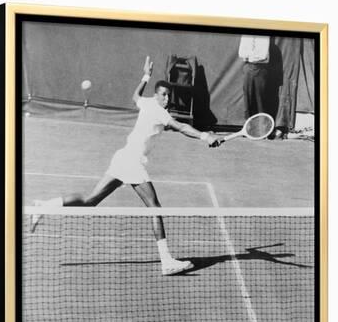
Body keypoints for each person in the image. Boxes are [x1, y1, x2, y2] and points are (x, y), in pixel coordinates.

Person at [33, 56, 220, 276]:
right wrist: (203, 137)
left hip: (122, 158)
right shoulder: (159, 111)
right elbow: (180, 127)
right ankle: (166, 260)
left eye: (169, 96)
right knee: (155, 207)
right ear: (157, 95)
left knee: (90, 201)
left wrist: (146, 76)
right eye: (164, 95)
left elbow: (135, 97)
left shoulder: (147, 103)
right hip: (131, 161)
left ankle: (45, 206)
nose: (167, 99)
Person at [238, 35, 270, 119]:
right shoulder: (245, 35)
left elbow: (262, 55)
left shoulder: (264, 36)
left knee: (260, 101)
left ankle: (262, 127)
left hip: (260, 69)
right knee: (248, 100)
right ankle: (248, 127)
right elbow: (241, 53)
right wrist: (251, 54)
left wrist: (249, 54)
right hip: (247, 68)